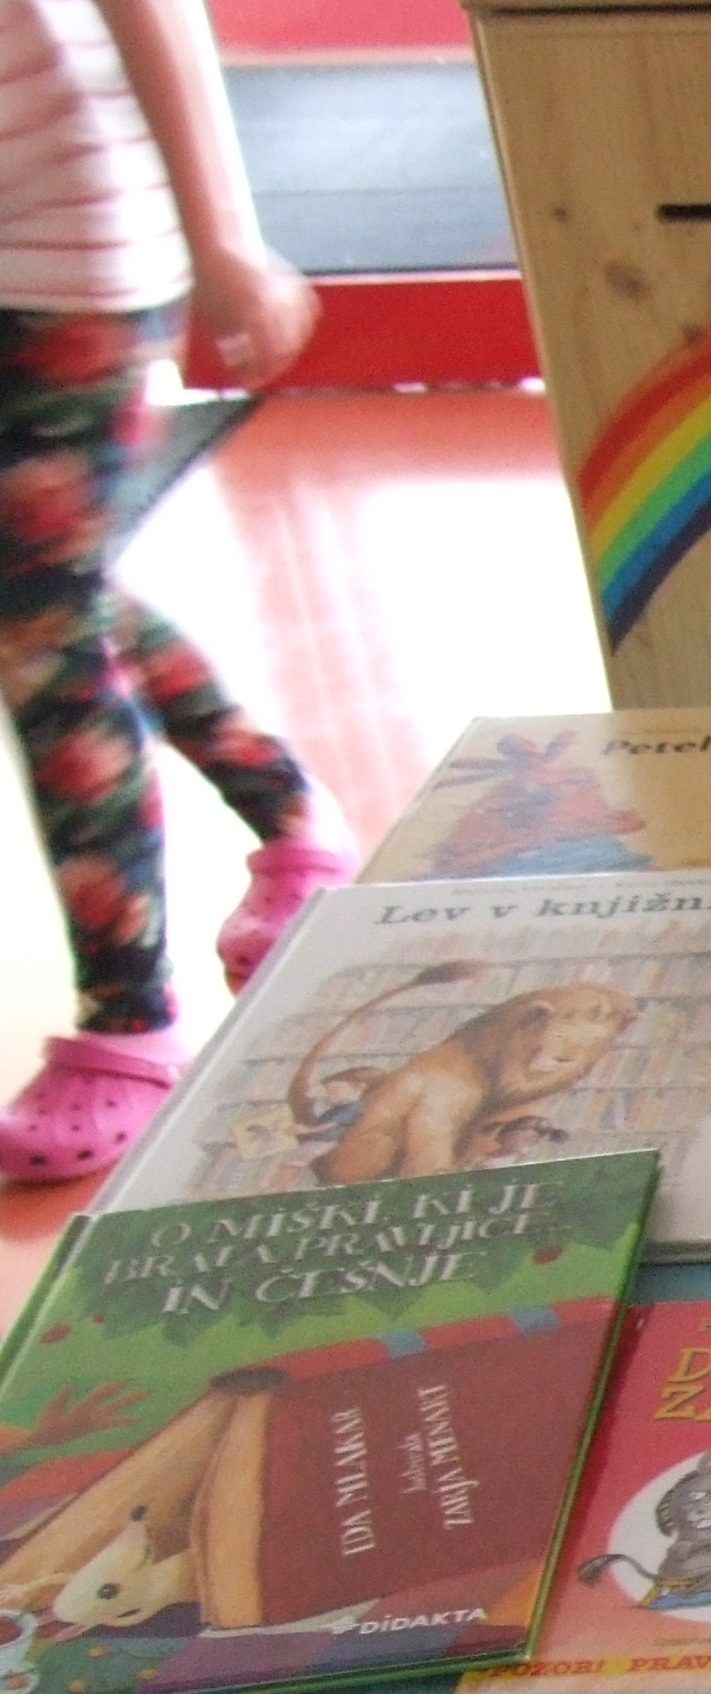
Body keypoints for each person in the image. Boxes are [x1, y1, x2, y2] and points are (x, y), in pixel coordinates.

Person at [0, 0, 352, 1182]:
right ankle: (292, 818)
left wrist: (224, 244)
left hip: (67, 248)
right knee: (45, 585)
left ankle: (128, 1026)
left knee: (40, 625)